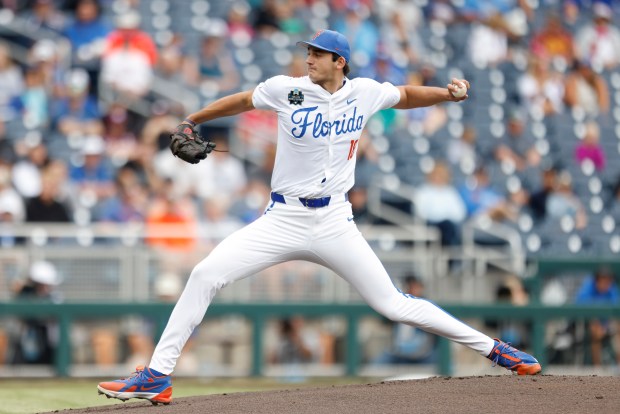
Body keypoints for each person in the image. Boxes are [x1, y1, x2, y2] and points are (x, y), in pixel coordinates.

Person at [97, 29, 541, 405]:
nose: (308, 58)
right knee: (205, 273)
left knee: (393, 304)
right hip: (282, 218)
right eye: (307, 52)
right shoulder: (287, 89)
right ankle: (158, 375)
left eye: (316, 54)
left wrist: (446, 94)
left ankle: (496, 351)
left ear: (339, 62)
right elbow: (242, 101)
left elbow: (404, 95)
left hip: (334, 222)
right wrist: (193, 118)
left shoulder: (364, 93)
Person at [373, 275, 437, 365]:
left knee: (442, 366)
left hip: (423, 354)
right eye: (409, 286)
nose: (412, 290)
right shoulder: (397, 304)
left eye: (415, 286)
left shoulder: (427, 305)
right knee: (377, 365)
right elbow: (384, 321)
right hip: (398, 353)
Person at [574, 266, 620, 366]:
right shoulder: (589, 286)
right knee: (596, 329)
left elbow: (616, 307)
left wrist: (606, 326)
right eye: (603, 279)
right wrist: (599, 325)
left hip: (607, 322)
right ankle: (597, 367)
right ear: (597, 279)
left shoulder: (611, 287)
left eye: (607, 279)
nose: (606, 282)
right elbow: (581, 304)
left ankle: (618, 363)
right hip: (590, 323)